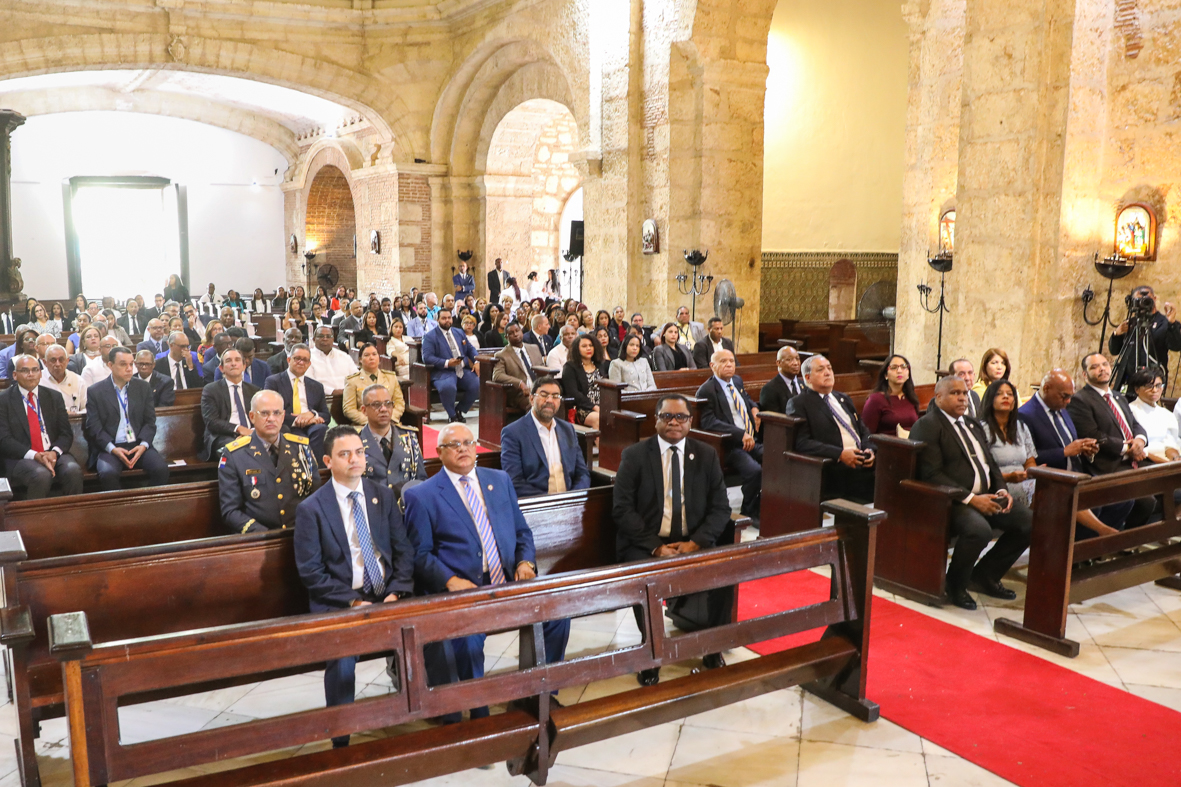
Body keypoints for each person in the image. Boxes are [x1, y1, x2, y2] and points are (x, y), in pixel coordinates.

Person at [403, 422, 569, 723]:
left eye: (468, 442)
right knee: (467, 641)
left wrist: (525, 563)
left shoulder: (499, 480)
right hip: (465, 588)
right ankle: (479, 711)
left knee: (557, 617)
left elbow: (522, 532)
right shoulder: (423, 496)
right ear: (439, 452)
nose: (463, 449)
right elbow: (419, 554)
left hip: (507, 580)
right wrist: (450, 580)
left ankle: (538, 693)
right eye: (454, 445)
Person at [294, 426, 415, 747]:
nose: (355, 459)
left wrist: (396, 592)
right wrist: (353, 602)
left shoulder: (383, 495)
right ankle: (341, 738)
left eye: (359, 452)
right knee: (342, 660)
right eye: (345, 454)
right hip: (342, 601)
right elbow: (311, 572)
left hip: (388, 595)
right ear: (328, 461)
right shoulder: (312, 509)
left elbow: (403, 551)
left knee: (433, 638)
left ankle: (441, 721)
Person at [613, 393, 732, 685]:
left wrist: (697, 542)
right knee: (646, 579)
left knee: (725, 573)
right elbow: (622, 509)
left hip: (693, 541)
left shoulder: (706, 455)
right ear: (656, 421)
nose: (674, 422)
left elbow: (721, 508)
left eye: (681, 417)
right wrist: (655, 547)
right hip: (647, 543)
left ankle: (712, 647)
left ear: (690, 422)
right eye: (667, 416)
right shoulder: (635, 455)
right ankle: (653, 655)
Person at [907, 376, 1032, 610]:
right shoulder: (928, 425)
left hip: (986, 495)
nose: (962, 398)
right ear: (939, 397)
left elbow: (991, 464)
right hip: (950, 501)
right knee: (978, 530)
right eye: (955, 393)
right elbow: (931, 474)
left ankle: (984, 576)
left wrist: (1001, 489)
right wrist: (971, 499)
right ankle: (955, 585)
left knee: (1028, 522)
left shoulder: (972, 424)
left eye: (965, 393)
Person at [1068, 352, 1155, 529]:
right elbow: (1094, 435)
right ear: (1085, 374)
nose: (1102, 369)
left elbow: (1135, 425)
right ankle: (1119, 538)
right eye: (1094, 367)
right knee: (1146, 501)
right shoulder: (1080, 400)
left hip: (1134, 459)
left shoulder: (1118, 397)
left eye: (1105, 364)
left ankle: (1144, 535)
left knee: (1169, 484)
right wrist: (1128, 449)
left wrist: (1139, 441)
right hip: (1109, 464)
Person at [219, 389, 319, 534]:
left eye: (277, 413)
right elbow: (230, 511)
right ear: (252, 416)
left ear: (283, 416)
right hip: (259, 538)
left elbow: (315, 496)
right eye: (264, 413)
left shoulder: (301, 448)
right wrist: (263, 534)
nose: (271, 418)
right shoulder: (234, 455)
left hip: (300, 533)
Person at [785, 354, 875, 505]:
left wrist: (869, 449)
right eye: (820, 370)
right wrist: (840, 454)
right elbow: (802, 442)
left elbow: (863, 430)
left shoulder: (843, 398)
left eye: (829, 368)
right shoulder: (799, 403)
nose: (827, 373)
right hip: (833, 467)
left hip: (862, 461)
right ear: (807, 377)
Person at [85, 346, 170, 491]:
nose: (129, 369)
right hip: (111, 447)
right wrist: (112, 449)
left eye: (131, 364)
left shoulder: (143, 387)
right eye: (123, 364)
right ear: (110, 365)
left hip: (138, 444)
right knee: (107, 474)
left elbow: (150, 421)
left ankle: (145, 504)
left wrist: (143, 445)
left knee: (161, 469)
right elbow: (94, 427)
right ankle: (121, 505)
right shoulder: (96, 391)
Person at [0, 354, 84, 499]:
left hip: (52, 452)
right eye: (25, 370)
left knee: (73, 470)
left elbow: (66, 434)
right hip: (21, 456)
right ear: (14, 375)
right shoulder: (3, 400)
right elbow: (4, 439)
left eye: (35, 370)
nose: (31, 374)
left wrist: (54, 452)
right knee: (41, 475)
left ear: (40, 373)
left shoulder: (54, 397)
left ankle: (72, 513)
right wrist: (35, 455)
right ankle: (33, 514)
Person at [696, 349, 763, 523]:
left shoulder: (737, 381)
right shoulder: (706, 390)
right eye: (723, 361)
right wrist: (740, 434)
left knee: (776, 460)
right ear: (712, 365)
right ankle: (748, 511)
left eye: (732, 361)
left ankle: (762, 505)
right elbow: (709, 422)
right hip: (729, 445)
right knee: (754, 471)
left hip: (752, 440)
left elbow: (745, 398)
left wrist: (754, 407)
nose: (729, 365)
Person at [501, 376, 590, 498]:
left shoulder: (567, 430)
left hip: (570, 502)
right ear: (531, 399)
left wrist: (573, 497)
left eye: (555, 396)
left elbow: (582, 473)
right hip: (537, 504)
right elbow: (514, 481)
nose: (550, 400)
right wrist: (550, 502)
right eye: (544, 395)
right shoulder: (513, 433)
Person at [357, 383, 426, 497]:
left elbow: (421, 479)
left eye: (388, 404)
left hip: (405, 504)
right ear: (364, 410)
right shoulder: (356, 441)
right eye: (376, 404)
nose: (383, 409)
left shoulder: (409, 437)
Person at [264, 344, 329, 463]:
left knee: (321, 429)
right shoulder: (273, 381)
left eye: (305, 360)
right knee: (296, 437)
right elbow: (270, 411)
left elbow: (326, 414)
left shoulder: (316, 386)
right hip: (288, 425)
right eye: (297, 358)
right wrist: (299, 419)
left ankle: (318, 470)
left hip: (312, 425)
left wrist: (312, 414)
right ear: (289, 360)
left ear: (309, 364)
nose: (301, 362)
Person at [978, 379, 1038, 506]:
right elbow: (980, 470)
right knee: (1042, 491)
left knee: (1054, 487)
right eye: (999, 394)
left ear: (1014, 401)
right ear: (990, 399)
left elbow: (1030, 461)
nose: (1005, 396)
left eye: (1010, 394)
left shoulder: (1021, 427)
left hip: (1023, 480)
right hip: (999, 484)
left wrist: (1031, 472)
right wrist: (1009, 477)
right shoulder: (981, 429)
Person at [1109, 284, 1181, 379]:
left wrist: (1172, 323)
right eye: (1138, 300)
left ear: (1154, 299)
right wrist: (1117, 334)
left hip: (1153, 378)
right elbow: (1114, 351)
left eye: (1147, 300)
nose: (1143, 303)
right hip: (1128, 378)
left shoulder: (1164, 322)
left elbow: (1176, 346)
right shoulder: (1130, 323)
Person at [200, 347, 259, 460]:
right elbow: (211, 421)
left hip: (250, 433)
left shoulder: (254, 390)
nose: (233, 364)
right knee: (238, 448)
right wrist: (238, 429)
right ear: (221, 368)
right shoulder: (211, 390)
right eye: (228, 361)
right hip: (223, 435)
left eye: (237, 360)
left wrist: (251, 432)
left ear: (244, 366)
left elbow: (260, 415)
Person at [422, 308, 479, 423]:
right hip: (443, 371)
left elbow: (470, 349)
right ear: (438, 320)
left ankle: (460, 410)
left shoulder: (459, 332)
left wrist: (477, 361)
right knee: (448, 387)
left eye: (449, 318)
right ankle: (452, 415)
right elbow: (427, 358)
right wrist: (447, 362)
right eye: (444, 318)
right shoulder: (430, 336)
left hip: (462, 369)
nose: (447, 320)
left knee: (478, 384)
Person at [1127, 368, 1181, 463]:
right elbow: (1135, 448)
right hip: (1144, 461)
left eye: (1158, 385)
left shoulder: (1166, 414)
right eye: (1149, 386)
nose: (1155, 390)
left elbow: (1170, 444)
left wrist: (1175, 459)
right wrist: (1164, 464)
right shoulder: (1130, 411)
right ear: (1137, 389)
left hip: (1167, 461)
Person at [342, 344, 403, 426]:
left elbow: (399, 404)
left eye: (374, 354)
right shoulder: (352, 381)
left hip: (389, 423)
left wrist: (389, 419)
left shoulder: (391, 377)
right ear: (360, 359)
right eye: (367, 355)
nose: (371, 358)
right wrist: (371, 422)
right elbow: (349, 409)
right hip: (365, 425)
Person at [862, 354, 921, 436]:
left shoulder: (910, 397)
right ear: (886, 375)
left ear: (908, 374)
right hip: (888, 442)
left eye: (903, 367)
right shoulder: (876, 399)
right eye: (894, 367)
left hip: (911, 441)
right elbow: (867, 434)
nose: (899, 371)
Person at [493, 323, 545, 411]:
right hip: (520, 394)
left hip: (539, 389)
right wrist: (520, 383)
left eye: (517, 331)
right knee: (535, 403)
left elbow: (542, 369)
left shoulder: (534, 348)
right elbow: (497, 375)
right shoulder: (502, 355)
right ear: (506, 337)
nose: (515, 334)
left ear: (522, 332)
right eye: (511, 333)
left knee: (556, 401)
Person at [561, 334, 608, 429]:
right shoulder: (570, 367)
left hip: (603, 406)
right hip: (582, 408)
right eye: (584, 346)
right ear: (577, 349)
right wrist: (594, 407)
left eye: (591, 345)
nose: (588, 348)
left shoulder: (600, 364)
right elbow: (573, 393)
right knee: (599, 418)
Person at [308, 325, 359, 392]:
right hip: (323, 397)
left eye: (328, 336)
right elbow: (310, 383)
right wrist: (334, 392)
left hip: (348, 395)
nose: (325, 339)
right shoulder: (308, 357)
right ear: (314, 339)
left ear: (333, 339)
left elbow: (356, 377)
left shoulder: (344, 356)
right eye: (321, 336)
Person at [42, 345, 89, 413]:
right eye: (53, 360)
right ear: (45, 362)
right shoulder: (38, 380)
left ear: (67, 361)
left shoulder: (78, 381)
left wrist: (75, 414)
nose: (58, 364)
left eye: (61, 360)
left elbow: (86, 408)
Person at [759, 345, 804, 414]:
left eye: (797, 359)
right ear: (779, 363)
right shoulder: (769, 389)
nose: (795, 363)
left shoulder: (804, 385)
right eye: (789, 359)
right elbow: (772, 418)